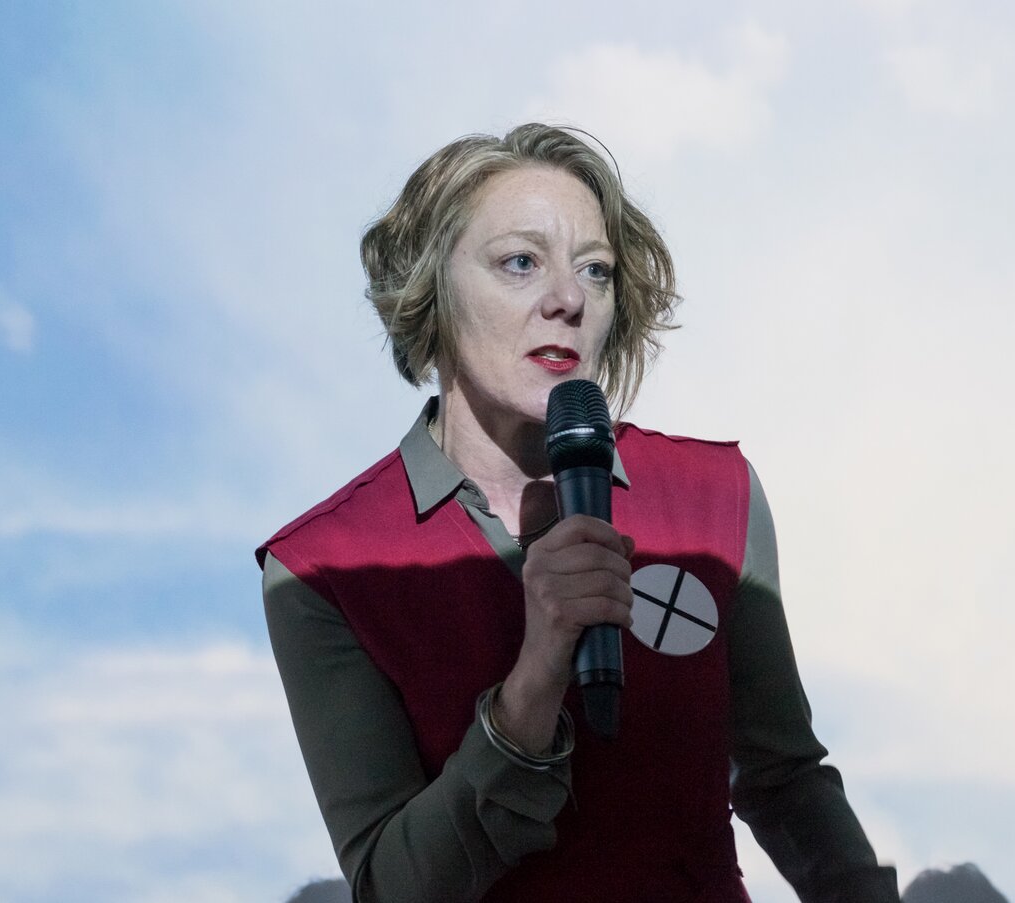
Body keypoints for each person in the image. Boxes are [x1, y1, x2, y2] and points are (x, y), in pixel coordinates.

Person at [258, 123, 899, 903]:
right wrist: (532, 685)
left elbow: (784, 778)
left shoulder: (714, 496)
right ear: (432, 288)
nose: (568, 299)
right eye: (520, 262)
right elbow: (390, 888)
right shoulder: (322, 568)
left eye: (595, 270)